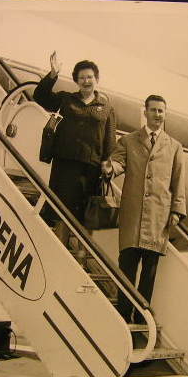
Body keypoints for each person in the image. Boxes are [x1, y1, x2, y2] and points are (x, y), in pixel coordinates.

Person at [102, 95, 186, 322]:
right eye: (154, 110)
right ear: (145, 113)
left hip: (158, 216)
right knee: (127, 266)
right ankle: (123, 315)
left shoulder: (175, 147)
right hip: (133, 215)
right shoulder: (129, 141)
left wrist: (177, 211)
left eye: (161, 111)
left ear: (165, 114)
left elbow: (178, 181)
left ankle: (141, 317)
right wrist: (110, 168)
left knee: (149, 272)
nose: (158, 115)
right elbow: (118, 164)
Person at [33, 52, 117, 243]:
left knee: (85, 217)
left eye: (90, 77)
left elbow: (109, 140)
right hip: (65, 167)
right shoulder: (66, 100)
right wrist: (53, 74)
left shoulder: (106, 108)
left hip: (91, 170)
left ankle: (81, 255)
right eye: (81, 78)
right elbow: (40, 96)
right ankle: (60, 250)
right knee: (61, 214)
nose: (86, 81)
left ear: (96, 79)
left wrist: (107, 163)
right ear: (76, 81)